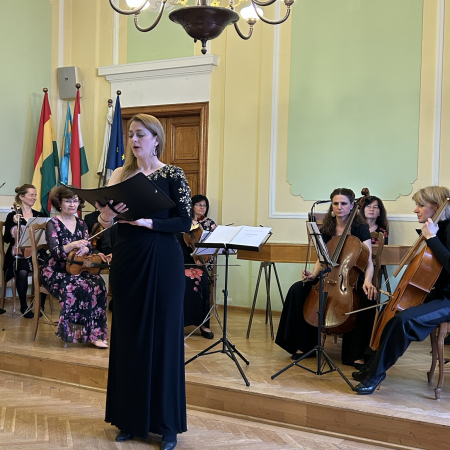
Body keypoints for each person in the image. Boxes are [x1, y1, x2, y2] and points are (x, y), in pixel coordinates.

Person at [99, 114, 191, 450]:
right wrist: (107, 215)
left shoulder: (173, 174)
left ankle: (167, 426)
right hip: (127, 259)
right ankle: (129, 419)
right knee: (128, 336)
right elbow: (106, 221)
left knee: (164, 337)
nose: (134, 140)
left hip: (163, 258)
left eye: (141, 134)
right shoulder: (119, 174)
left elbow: (184, 221)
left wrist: (148, 222)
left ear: (156, 139)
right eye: (130, 134)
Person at [352, 186, 450, 394]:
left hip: (448, 299)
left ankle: (376, 374)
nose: (416, 210)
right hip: (438, 293)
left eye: (421, 205)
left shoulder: (445, 230)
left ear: (437, 206)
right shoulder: (437, 227)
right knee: (392, 311)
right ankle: (371, 364)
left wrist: (432, 239)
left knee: (404, 320)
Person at [275, 188, 377, 367]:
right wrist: (313, 275)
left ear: (352, 206)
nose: (339, 207)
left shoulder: (360, 228)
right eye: (336, 203)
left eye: (343, 203)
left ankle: (355, 353)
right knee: (297, 289)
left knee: (368, 297)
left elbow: (368, 262)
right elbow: (321, 260)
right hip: (328, 276)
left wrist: (368, 281)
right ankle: (304, 345)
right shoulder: (327, 229)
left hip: (351, 277)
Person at [41, 186, 109, 348]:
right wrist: (72, 245)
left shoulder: (81, 223)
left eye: (75, 201)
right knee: (77, 285)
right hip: (56, 270)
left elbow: (88, 246)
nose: (72, 204)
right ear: (59, 203)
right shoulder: (53, 223)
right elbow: (56, 252)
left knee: (98, 283)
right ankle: (72, 333)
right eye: (68, 201)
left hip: (77, 267)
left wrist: (86, 248)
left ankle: (95, 334)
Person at [2, 184, 47, 318]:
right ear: (21, 197)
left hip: (37, 252)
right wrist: (13, 223)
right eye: (31, 195)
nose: (34, 197)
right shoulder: (12, 215)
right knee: (22, 270)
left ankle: (40, 305)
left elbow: (46, 238)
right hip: (17, 253)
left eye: (35, 195)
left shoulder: (41, 215)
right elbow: (6, 239)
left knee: (47, 269)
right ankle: (23, 306)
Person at [178, 195, 217, 339]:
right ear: (192, 206)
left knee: (202, 279)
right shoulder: (183, 222)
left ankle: (204, 325)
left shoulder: (209, 224)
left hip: (200, 263)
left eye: (204, 205)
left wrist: (205, 261)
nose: (202, 207)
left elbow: (213, 248)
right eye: (199, 204)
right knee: (181, 280)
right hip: (182, 262)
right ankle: (180, 322)